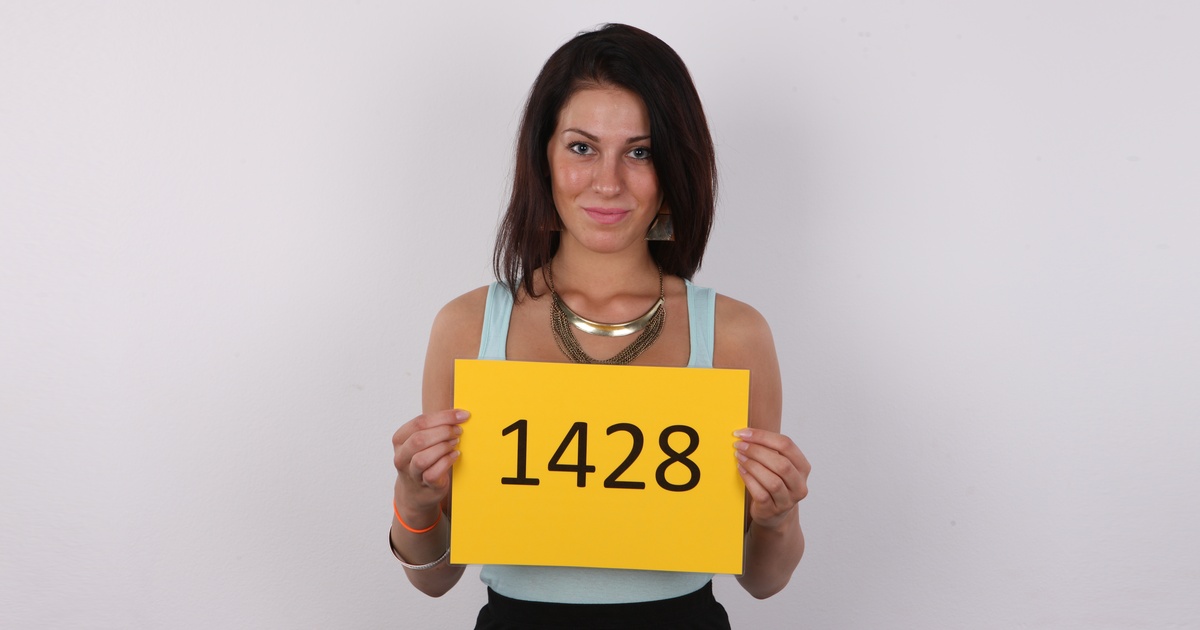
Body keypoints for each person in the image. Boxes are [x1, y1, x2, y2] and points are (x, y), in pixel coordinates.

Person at [389, 23, 810, 629]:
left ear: (673, 167)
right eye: (582, 148)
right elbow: (433, 579)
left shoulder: (735, 335)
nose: (608, 182)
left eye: (640, 152)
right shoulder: (467, 327)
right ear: (543, 159)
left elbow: (762, 581)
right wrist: (414, 498)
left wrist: (779, 517)